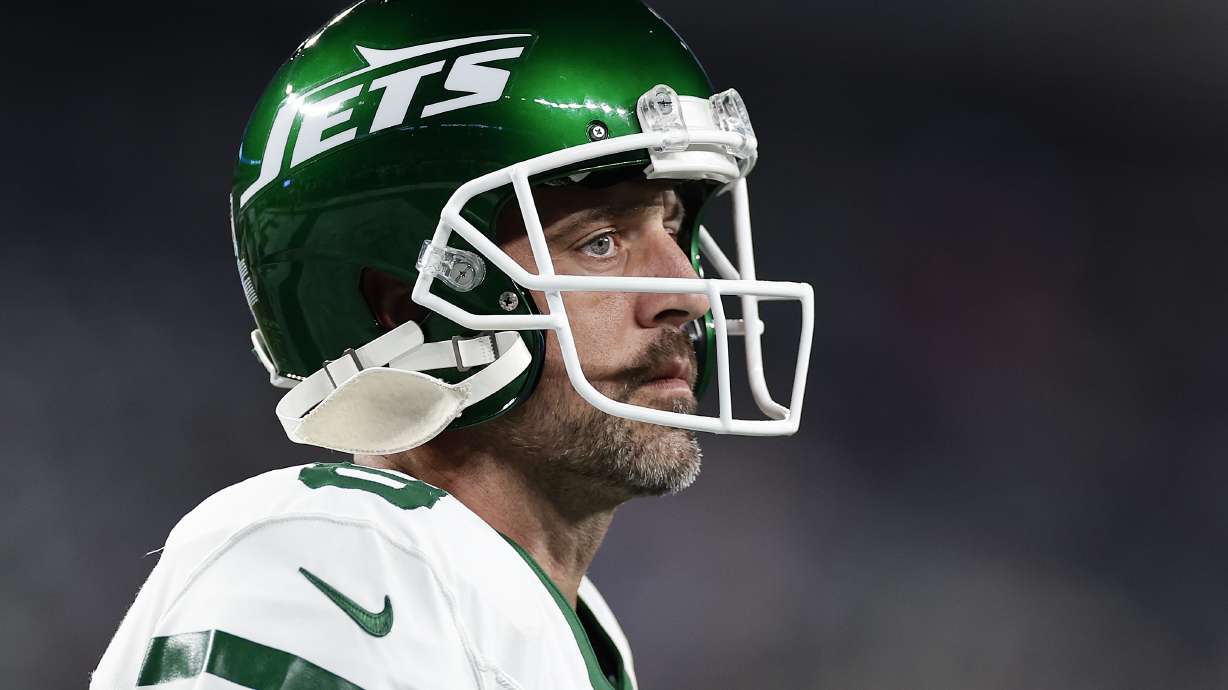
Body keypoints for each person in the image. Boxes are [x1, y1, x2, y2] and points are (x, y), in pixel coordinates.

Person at [91, 1, 814, 688]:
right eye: (600, 243)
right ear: (403, 306)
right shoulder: (334, 560)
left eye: (676, 230)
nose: (686, 292)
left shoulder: (542, 615)